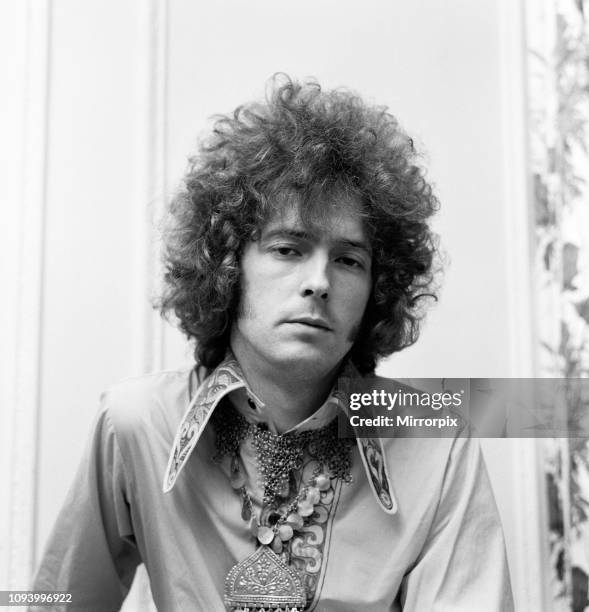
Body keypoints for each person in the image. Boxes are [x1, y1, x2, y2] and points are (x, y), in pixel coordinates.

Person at [32, 75, 514, 611]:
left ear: (378, 286)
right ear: (228, 266)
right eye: (288, 249)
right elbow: (58, 600)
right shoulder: (135, 423)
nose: (320, 281)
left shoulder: (438, 442)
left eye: (349, 260)